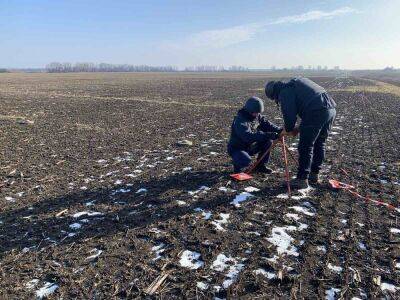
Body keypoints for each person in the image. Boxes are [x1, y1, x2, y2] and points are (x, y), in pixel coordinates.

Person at [265, 77, 336, 189]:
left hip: (316, 110)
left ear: (274, 93)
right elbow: (309, 104)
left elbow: (289, 118)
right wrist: (298, 128)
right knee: (319, 143)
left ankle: (302, 179)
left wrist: (287, 130)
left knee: (305, 146)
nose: (277, 100)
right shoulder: (295, 84)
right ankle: (314, 174)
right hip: (330, 109)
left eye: (275, 99)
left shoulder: (285, 92)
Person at [227, 96, 282, 174]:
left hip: (250, 146)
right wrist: (268, 135)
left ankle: (260, 166)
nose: (257, 115)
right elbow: (248, 136)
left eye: (258, 112)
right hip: (237, 148)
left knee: (268, 142)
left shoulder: (256, 116)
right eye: (255, 112)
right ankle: (237, 169)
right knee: (245, 160)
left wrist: (280, 130)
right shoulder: (240, 120)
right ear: (249, 110)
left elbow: (267, 124)